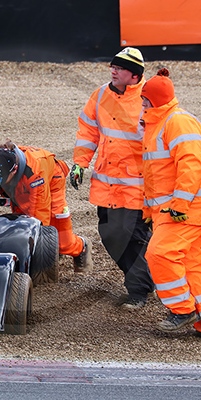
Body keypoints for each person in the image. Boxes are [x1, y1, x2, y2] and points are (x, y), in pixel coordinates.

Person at [139, 69, 201, 337]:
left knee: (159, 253)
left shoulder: (177, 122)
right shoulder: (159, 123)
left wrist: (180, 204)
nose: (141, 105)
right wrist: (148, 208)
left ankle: (182, 310)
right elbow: (156, 174)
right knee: (190, 262)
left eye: (144, 100)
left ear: (154, 100)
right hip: (175, 209)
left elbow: (191, 167)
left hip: (184, 209)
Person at [70, 47, 155, 308]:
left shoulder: (147, 99)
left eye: (119, 68)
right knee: (109, 234)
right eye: (113, 66)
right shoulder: (100, 95)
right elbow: (88, 130)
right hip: (107, 182)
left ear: (134, 75)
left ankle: (139, 290)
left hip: (137, 185)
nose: (113, 71)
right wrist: (79, 163)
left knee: (133, 237)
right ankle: (148, 278)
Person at [0, 141, 91, 274]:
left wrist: (41, 251)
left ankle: (81, 247)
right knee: (18, 223)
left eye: (2, 179)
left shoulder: (35, 174)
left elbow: (39, 221)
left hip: (51, 182)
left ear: (15, 170)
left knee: (59, 239)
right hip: (19, 185)